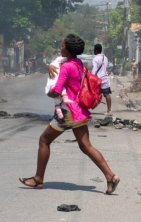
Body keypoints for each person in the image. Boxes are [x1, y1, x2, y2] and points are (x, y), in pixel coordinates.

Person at [19, 34, 120, 195]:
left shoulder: (66, 67)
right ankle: (111, 176)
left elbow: (57, 91)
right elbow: (57, 62)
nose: (60, 48)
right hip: (79, 111)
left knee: (44, 140)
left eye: (62, 46)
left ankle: (38, 178)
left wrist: (49, 91)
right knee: (86, 146)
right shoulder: (78, 63)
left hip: (67, 113)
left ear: (67, 49)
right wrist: (48, 67)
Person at [45, 56, 73, 121]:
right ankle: (58, 116)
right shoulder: (60, 63)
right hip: (58, 87)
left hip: (55, 88)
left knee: (57, 102)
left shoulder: (67, 63)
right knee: (61, 94)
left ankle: (58, 114)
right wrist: (49, 66)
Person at [92, 44, 112, 116]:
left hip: (98, 79)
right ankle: (109, 110)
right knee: (107, 94)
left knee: (90, 92)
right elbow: (106, 67)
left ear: (96, 50)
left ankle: (86, 107)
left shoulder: (96, 58)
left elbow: (94, 69)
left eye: (94, 49)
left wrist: (92, 77)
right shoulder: (105, 57)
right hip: (105, 78)